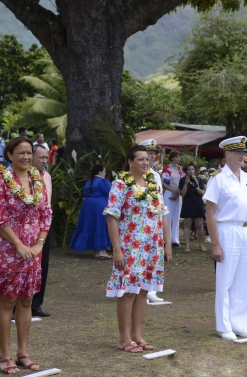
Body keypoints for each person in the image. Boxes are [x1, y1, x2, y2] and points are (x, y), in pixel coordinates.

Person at [0, 136, 51, 373]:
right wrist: (19, 244)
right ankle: (4, 355)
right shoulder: (1, 179)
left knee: (27, 299)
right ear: (9, 155)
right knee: (8, 299)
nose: (26, 157)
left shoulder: (38, 178)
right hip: (8, 248)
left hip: (34, 249)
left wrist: (39, 244)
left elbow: (45, 214)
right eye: (20, 152)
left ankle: (23, 353)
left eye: (29, 152)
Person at [104, 145, 172, 353]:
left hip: (151, 246)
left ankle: (137, 335)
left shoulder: (154, 183)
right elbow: (111, 217)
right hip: (130, 245)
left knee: (143, 291)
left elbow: (162, 215)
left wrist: (167, 244)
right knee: (128, 292)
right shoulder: (121, 184)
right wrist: (117, 249)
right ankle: (124, 338)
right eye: (140, 159)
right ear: (130, 161)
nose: (146, 162)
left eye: (147, 159)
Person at [203, 136, 247, 341]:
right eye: (238, 153)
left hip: (245, 231)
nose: (242, 156)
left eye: (244, 153)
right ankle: (224, 326)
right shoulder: (217, 178)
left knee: (243, 280)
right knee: (225, 280)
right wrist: (215, 244)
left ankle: (240, 324)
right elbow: (210, 213)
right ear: (227, 154)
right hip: (226, 230)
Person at [138, 138, 166, 303]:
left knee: (154, 256)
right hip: (141, 223)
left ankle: (151, 289)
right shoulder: (135, 174)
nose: (152, 157)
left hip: (155, 221)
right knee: (140, 256)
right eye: (149, 153)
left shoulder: (155, 175)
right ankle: (139, 288)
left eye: (154, 154)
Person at [30, 145, 53, 318]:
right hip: (28, 226)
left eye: (46, 157)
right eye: (41, 157)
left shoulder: (47, 176)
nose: (44, 161)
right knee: (26, 265)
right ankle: (17, 305)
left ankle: (36, 304)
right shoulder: (23, 176)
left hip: (44, 226)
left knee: (42, 265)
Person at [70, 164, 112, 259]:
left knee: (91, 225)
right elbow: (110, 192)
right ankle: (102, 251)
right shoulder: (103, 181)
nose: (105, 173)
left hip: (88, 206)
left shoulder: (89, 182)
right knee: (101, 225)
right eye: (104, 171)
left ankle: (97, 251)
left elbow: (84, 193)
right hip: (100, 205)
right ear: (100, 172)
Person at [179, 164, 206, 253]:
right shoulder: (182, 180)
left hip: (198, 202)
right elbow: (183, 194)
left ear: (195, 170)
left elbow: (202, 193)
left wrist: (197, 185)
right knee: (187, 224)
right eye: (189, 169)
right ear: (186, 171)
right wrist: (186, 184)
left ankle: (201, 244)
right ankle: (187, 246)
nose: (191, 171)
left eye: (192, 169)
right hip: (188, 202)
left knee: (199, 225)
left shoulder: (199, 179)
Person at [162, 150, 184, 247]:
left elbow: (183, 182)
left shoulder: (180, 169)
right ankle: (167, 239)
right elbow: (162, 182)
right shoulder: (166, 168)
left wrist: (178, 191)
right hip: (169, 192)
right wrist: (172, 190)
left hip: (178, 193)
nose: (177, 159)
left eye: (178, 157)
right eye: (175, 157)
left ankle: (175, 239)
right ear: (172, 158)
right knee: (168, 216)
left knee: (176, 216)